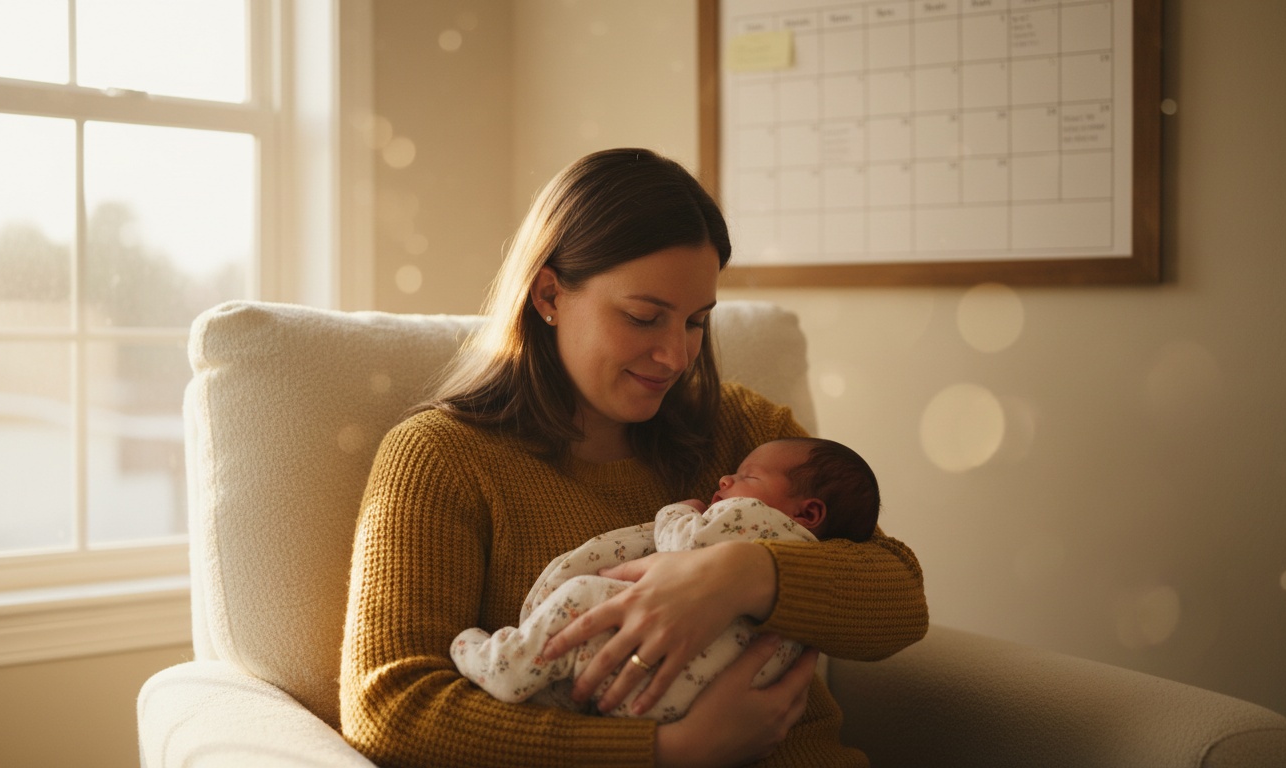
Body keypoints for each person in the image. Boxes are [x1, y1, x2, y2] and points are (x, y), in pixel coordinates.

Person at [340, 147, 928, 768]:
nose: (676, 356)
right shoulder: (444, 458)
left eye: (697, 322)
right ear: (549, 295)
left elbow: (899, 602)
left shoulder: (748, 432)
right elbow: (390, 708)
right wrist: (663, 751)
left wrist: (736, 577)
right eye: (644, 317)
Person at [450, 437, 881, 724]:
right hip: (683, 701)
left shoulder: (757, 521)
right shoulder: (819, 551)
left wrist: (677, 512)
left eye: (747, 477)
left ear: (807, 514)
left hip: (665, 673)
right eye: (643, 316)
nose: (725, 479)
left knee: (583, 597)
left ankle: (504, 665)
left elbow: (685, 546)